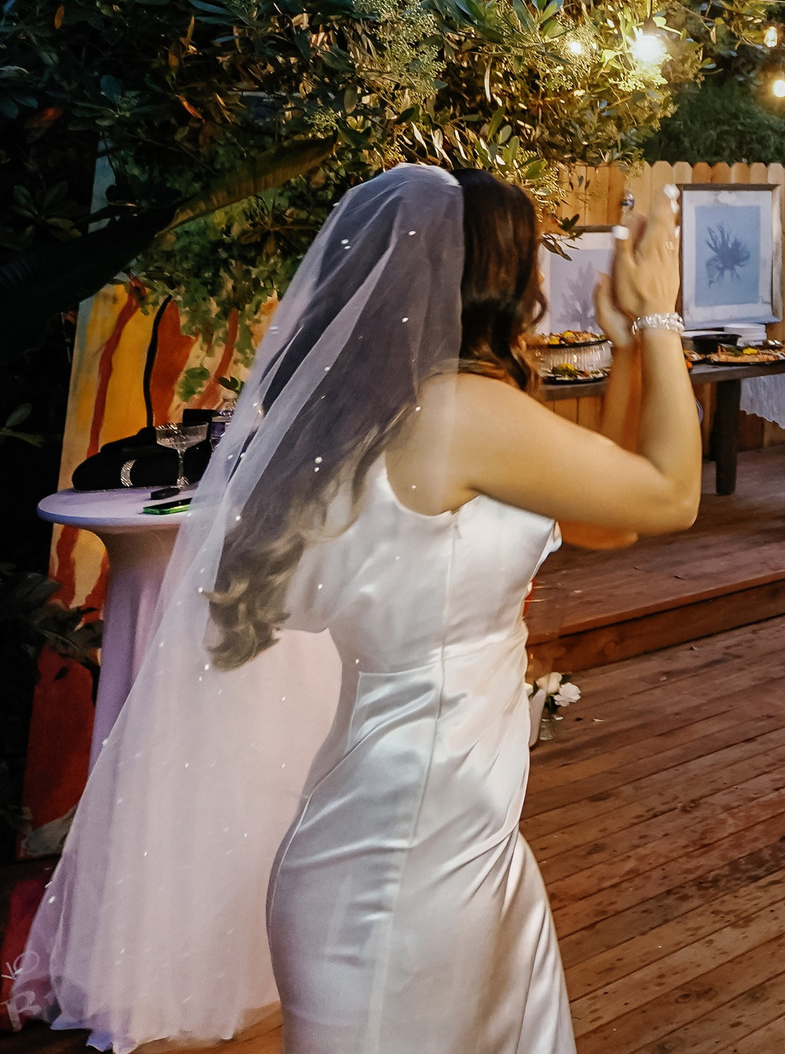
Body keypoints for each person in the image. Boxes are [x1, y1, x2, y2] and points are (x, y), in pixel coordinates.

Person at [16, 167, 704, 1052]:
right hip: (403, 859)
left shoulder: (403, 408)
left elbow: (607, 522)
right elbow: (674, 494)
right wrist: (657, 314)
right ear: (491, 272)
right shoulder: (462, 413)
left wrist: (622, 350)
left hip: (451, 833)